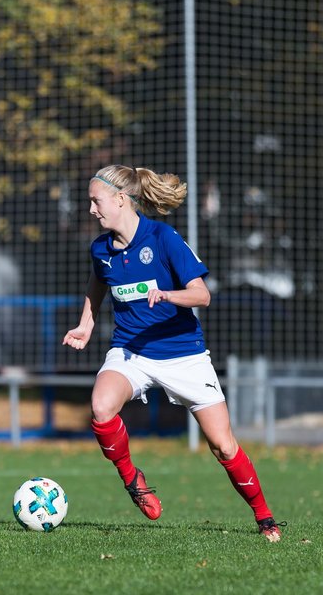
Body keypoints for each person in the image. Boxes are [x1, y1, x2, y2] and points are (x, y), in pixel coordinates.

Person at [63, 164, 284, 542]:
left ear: (120, 199)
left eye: (95, 201)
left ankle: (265, 519)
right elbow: (97, 282)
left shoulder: (163, 238)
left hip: (184, 355)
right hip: (131, 351)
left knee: (223, 445)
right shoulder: (101, 248)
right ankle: (134, 480)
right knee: (101, 408)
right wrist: (87, 323)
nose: (91, 210)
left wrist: (168, 295)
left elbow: (202, 295)